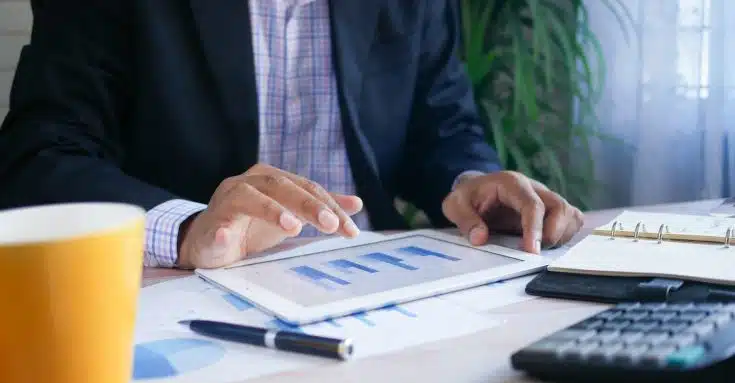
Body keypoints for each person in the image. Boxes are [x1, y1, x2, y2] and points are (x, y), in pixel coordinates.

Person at [0, 0, 583, 269]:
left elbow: (443, 125)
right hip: (185, 290)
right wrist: (185, 228)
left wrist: (474, 181)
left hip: (375, 284)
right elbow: (38, 158)